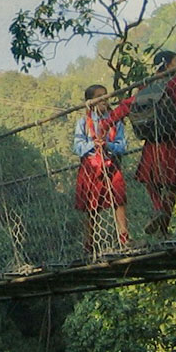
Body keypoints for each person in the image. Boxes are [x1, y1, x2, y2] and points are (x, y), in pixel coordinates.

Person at [111, 51, 176, 237]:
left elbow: (128, 104)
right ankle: (163, 228)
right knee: (171, 185)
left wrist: (106, 124)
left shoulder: (148, 84)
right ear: (168, 64)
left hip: (153, 141)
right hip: (174, 140)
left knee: (151, 181)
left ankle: (158, 210)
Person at [73, 84, 131, 255]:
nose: (104, 100)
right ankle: (89, 244)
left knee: (119, 200)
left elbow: (122, 146)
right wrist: (93, 144)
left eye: (105, 96)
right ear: (90, 102)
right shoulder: (83, 123)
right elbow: (77, 147)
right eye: (99, 97)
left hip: (110, 164)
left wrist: (109, 145)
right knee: (92, 207)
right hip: (91, 167)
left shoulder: (115, 120)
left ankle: (124, 238)